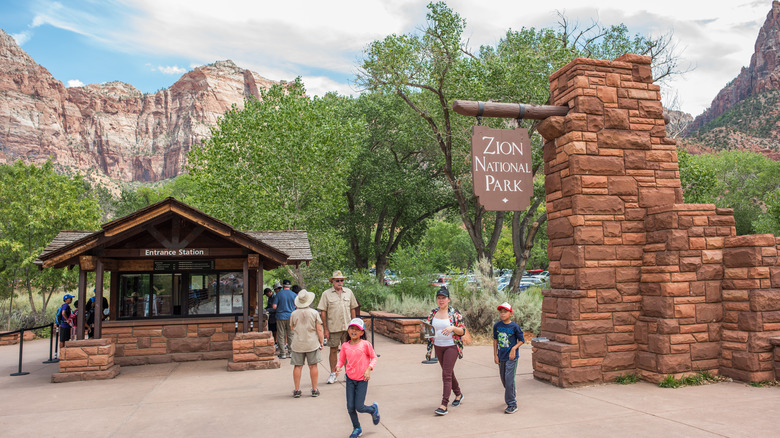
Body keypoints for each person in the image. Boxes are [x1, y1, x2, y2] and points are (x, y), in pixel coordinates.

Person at [335, 318, 379, 438]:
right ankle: (357, 428)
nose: (353, 331)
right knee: (350, 407)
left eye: (357, 329)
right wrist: (338, 367)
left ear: (362, 332)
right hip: (350, 379)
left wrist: (368, 369)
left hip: (362, 379)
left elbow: (374, 357)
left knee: (359, 406)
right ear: (348, 330)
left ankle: (373, 409)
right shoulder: (345, 346)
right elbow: (341, 359)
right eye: (351, 328)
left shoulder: (365, 344)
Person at [425, 286, 466, 416]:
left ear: (448, 299)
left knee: (446, 375)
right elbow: (429, 331)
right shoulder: (432, 313)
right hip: (438, 346)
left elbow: (462, 331)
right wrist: (426, 332)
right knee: (448, 372)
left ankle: (444, 405)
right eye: (439, 298)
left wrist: (452, 328)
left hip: (451, 346)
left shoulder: (454, 314)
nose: (441, 300)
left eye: (443, 298)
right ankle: (458, 394)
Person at [317, 270, 358, 384]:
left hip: (347, 328)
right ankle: (333, 373)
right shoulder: (326, 294)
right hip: (333, 328)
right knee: (333, 350)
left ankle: (348, 374)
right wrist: (325, 328)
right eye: (337, 280)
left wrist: (354, 326)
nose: (340, 282)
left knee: (348, 351)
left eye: (341, 280)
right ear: (333, 281)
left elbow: (352, 309)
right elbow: (323, 311)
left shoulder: (348, 292)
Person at [289, 289, 324, 397]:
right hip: (312, 342)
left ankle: (297, 390)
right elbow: (319, 329)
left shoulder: (294, 314)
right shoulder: (314, 313)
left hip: (298, 343)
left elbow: (292, 327)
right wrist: (321, 342)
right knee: (313, 366)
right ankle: (314, 389)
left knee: (297, 366)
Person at [493, 302, 525, 414]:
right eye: (501, 312)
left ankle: (512, 404)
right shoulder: (497, 326)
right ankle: (512, 391)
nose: (502, 314)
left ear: (511, 313)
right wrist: (495, 355)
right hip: (501, 356)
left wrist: (514, 349)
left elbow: (522, 340)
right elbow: (495, 340)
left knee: (509, 379)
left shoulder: (515, 327)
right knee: (504, 379)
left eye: (505, 312)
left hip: (512, 358)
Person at [274, 279, 297, 359]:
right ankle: (291, 352)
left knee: (280, 335)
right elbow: (297, 306)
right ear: (289, 286)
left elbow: (274, 306)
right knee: (291, 334)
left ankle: (282, 353)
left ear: (283, 286)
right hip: (291, 316)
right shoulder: (294, 295)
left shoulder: (278, 294)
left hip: (280, 316)